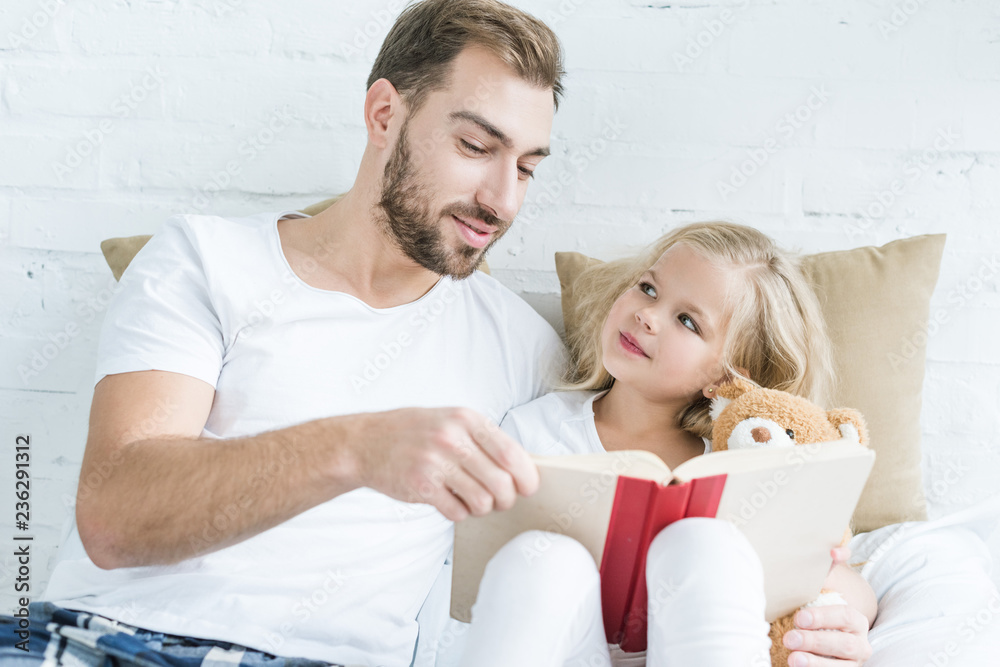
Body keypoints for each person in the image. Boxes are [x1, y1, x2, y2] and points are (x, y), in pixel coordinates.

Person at [0, 1, 568, 666]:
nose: (503, 200)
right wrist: (357, 446)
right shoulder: (204, 260)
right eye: (476, 147)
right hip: (91, 636)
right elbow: (115, 516)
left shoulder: (526, 351)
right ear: (385, 114)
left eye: (527, 167)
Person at [452, 221, 877, 666]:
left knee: (704, 544)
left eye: (688, 321)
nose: (647, 315)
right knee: (544, 559)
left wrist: (825, 578)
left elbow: (855, 592)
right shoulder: (534, 432)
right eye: (648, 289)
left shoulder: (746, 460)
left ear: (724, 378)